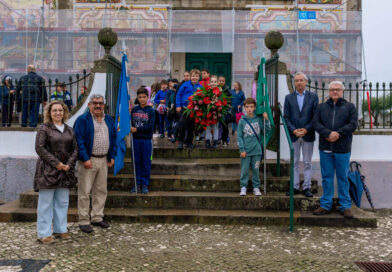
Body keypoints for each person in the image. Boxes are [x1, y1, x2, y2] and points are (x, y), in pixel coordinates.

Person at [34, 101, 78, 244]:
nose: (58, 113)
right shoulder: (44, 129)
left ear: (64, 112)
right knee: (46, 203)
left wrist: (68, 165)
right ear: (49, 112)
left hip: (65, 171)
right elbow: (40, 148)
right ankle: (44, 233)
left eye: (60, 110)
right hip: (48, 170)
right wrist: (57, 163)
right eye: (55, 110)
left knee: (62, 201)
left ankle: (60, 229)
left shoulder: (70, 130)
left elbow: (75, 149)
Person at [312, 81, 358, 219]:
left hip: (342, 148)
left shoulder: (350, 107)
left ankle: (345, 205)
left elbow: (353, 125)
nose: (335, 92)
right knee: (327, 178)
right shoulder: (321, 107)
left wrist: (337, 133)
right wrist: (327, 133)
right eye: (332, 89)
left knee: (343, 177)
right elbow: (315, 123)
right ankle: (326, 204)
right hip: (325, 148)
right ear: (329, 91)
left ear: (342, 91)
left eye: (338, 89)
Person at [73, 94, 116, 233]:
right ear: (89, 105)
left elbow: (113, 138)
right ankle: (84, 220)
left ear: (104, 105)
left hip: (103, 160)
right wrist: (85, 158)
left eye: (101, 103)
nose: (98, 106)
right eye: (95, 103)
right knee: (84, 192)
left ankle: (97, 217)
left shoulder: (108, 119)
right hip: (88, 161)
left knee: (101, 191)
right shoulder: (82, 120)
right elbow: (78, 141)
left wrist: (111, 156)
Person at [283, 72, 319, 198]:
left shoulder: (313, 97)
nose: (299, 82)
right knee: (295, 162)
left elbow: (315, 116)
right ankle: (294, 186)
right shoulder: (289, 98)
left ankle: (307, 187)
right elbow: (286, 117)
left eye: (301, 80)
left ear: (306, 82)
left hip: (308, 135)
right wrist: (293, 130)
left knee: (308, 162)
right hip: (294, 135)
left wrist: (306, 129)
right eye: (297, 80)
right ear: (294, 82)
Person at [237, 98, 270, 196]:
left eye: (251, 107)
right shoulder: (242, 121)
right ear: (244, 108)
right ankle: (243, 187)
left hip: (257, 150)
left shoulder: (259, 119)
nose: (249, 109)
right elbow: (239, 136)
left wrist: (266, 119)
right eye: (247, 107)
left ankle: (256, 187)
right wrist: (242, 149)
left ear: (255, 107)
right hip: (246, 151)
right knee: (245, 170)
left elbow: (266, 131)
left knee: (256, 169)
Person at [130, 87, 155, 194]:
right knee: (137, 162)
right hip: (135, 140)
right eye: (140, 97)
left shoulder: (151, 111)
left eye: (144, 97)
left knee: (146, 162)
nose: (142, 99)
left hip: (146, 141)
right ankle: (137, 183)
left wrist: (137, 129)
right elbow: (131, 123)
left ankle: (145, 184)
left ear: (147, 97)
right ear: (137, 98)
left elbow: (150, 127)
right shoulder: (134, 110)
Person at [176, 69, 202, 149]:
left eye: (196, 76)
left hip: (194, 110)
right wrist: (178, 105)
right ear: (190, 77)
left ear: (199, 77)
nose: (194, 77)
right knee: (183, 124)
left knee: (191, 126)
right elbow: (178, 95)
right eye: (193, 76)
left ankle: (189, 142)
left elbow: (203, 98)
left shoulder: (200, 87)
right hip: (185, 108)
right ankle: (181, 141)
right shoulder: (185, 84)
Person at [205, 75, 220, 148]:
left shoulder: (220, 91)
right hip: (208, 112)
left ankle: (215, 141)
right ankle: (207, 141)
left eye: (215, 81)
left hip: (216, 112)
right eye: (212, 82)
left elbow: (222, 101)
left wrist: (217, 103)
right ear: (209, 83)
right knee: (208, 127)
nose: (213, 83)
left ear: (217, 83)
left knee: (215, 127)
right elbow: (205, 100)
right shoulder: (207, 91)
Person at [218, 76, 231, 146]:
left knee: (225, 126)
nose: (221, 82)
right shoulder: (216, 89)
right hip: (217, 110)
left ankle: (225, 140)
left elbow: (230, 99)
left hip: (224, 111)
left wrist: (227, 104)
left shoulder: (227, 90)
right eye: (220, 81)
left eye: (222, 81)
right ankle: (218, 139)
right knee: (218, 126)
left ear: (224, 82)